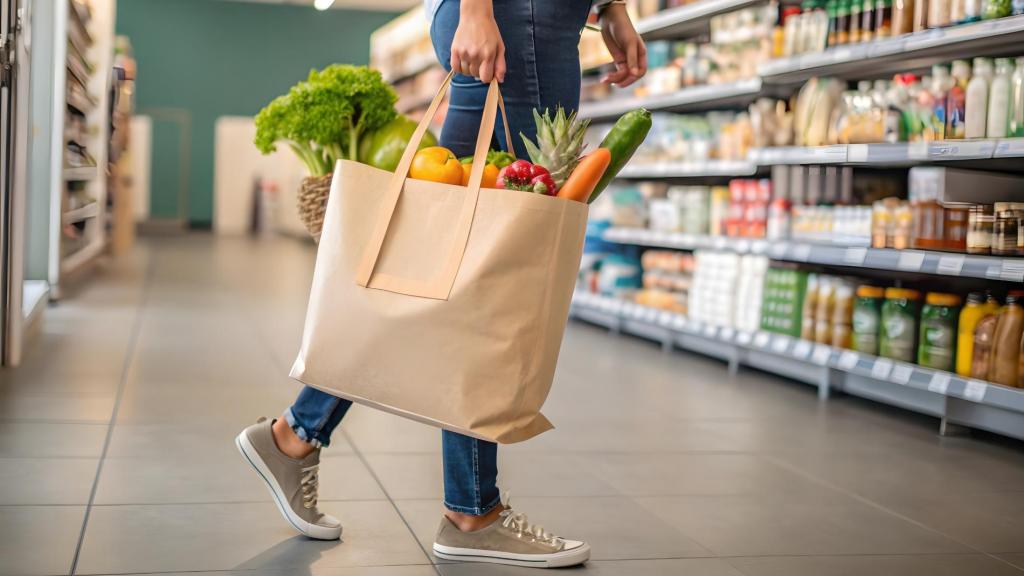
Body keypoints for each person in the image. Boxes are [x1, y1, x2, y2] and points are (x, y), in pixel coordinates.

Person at [236, 0, 646, 568]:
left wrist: (612, 8)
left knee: (454, 252)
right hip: (514, 15)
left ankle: (295, 436)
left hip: (544, 20)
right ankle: (471, 513)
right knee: (491, 264)